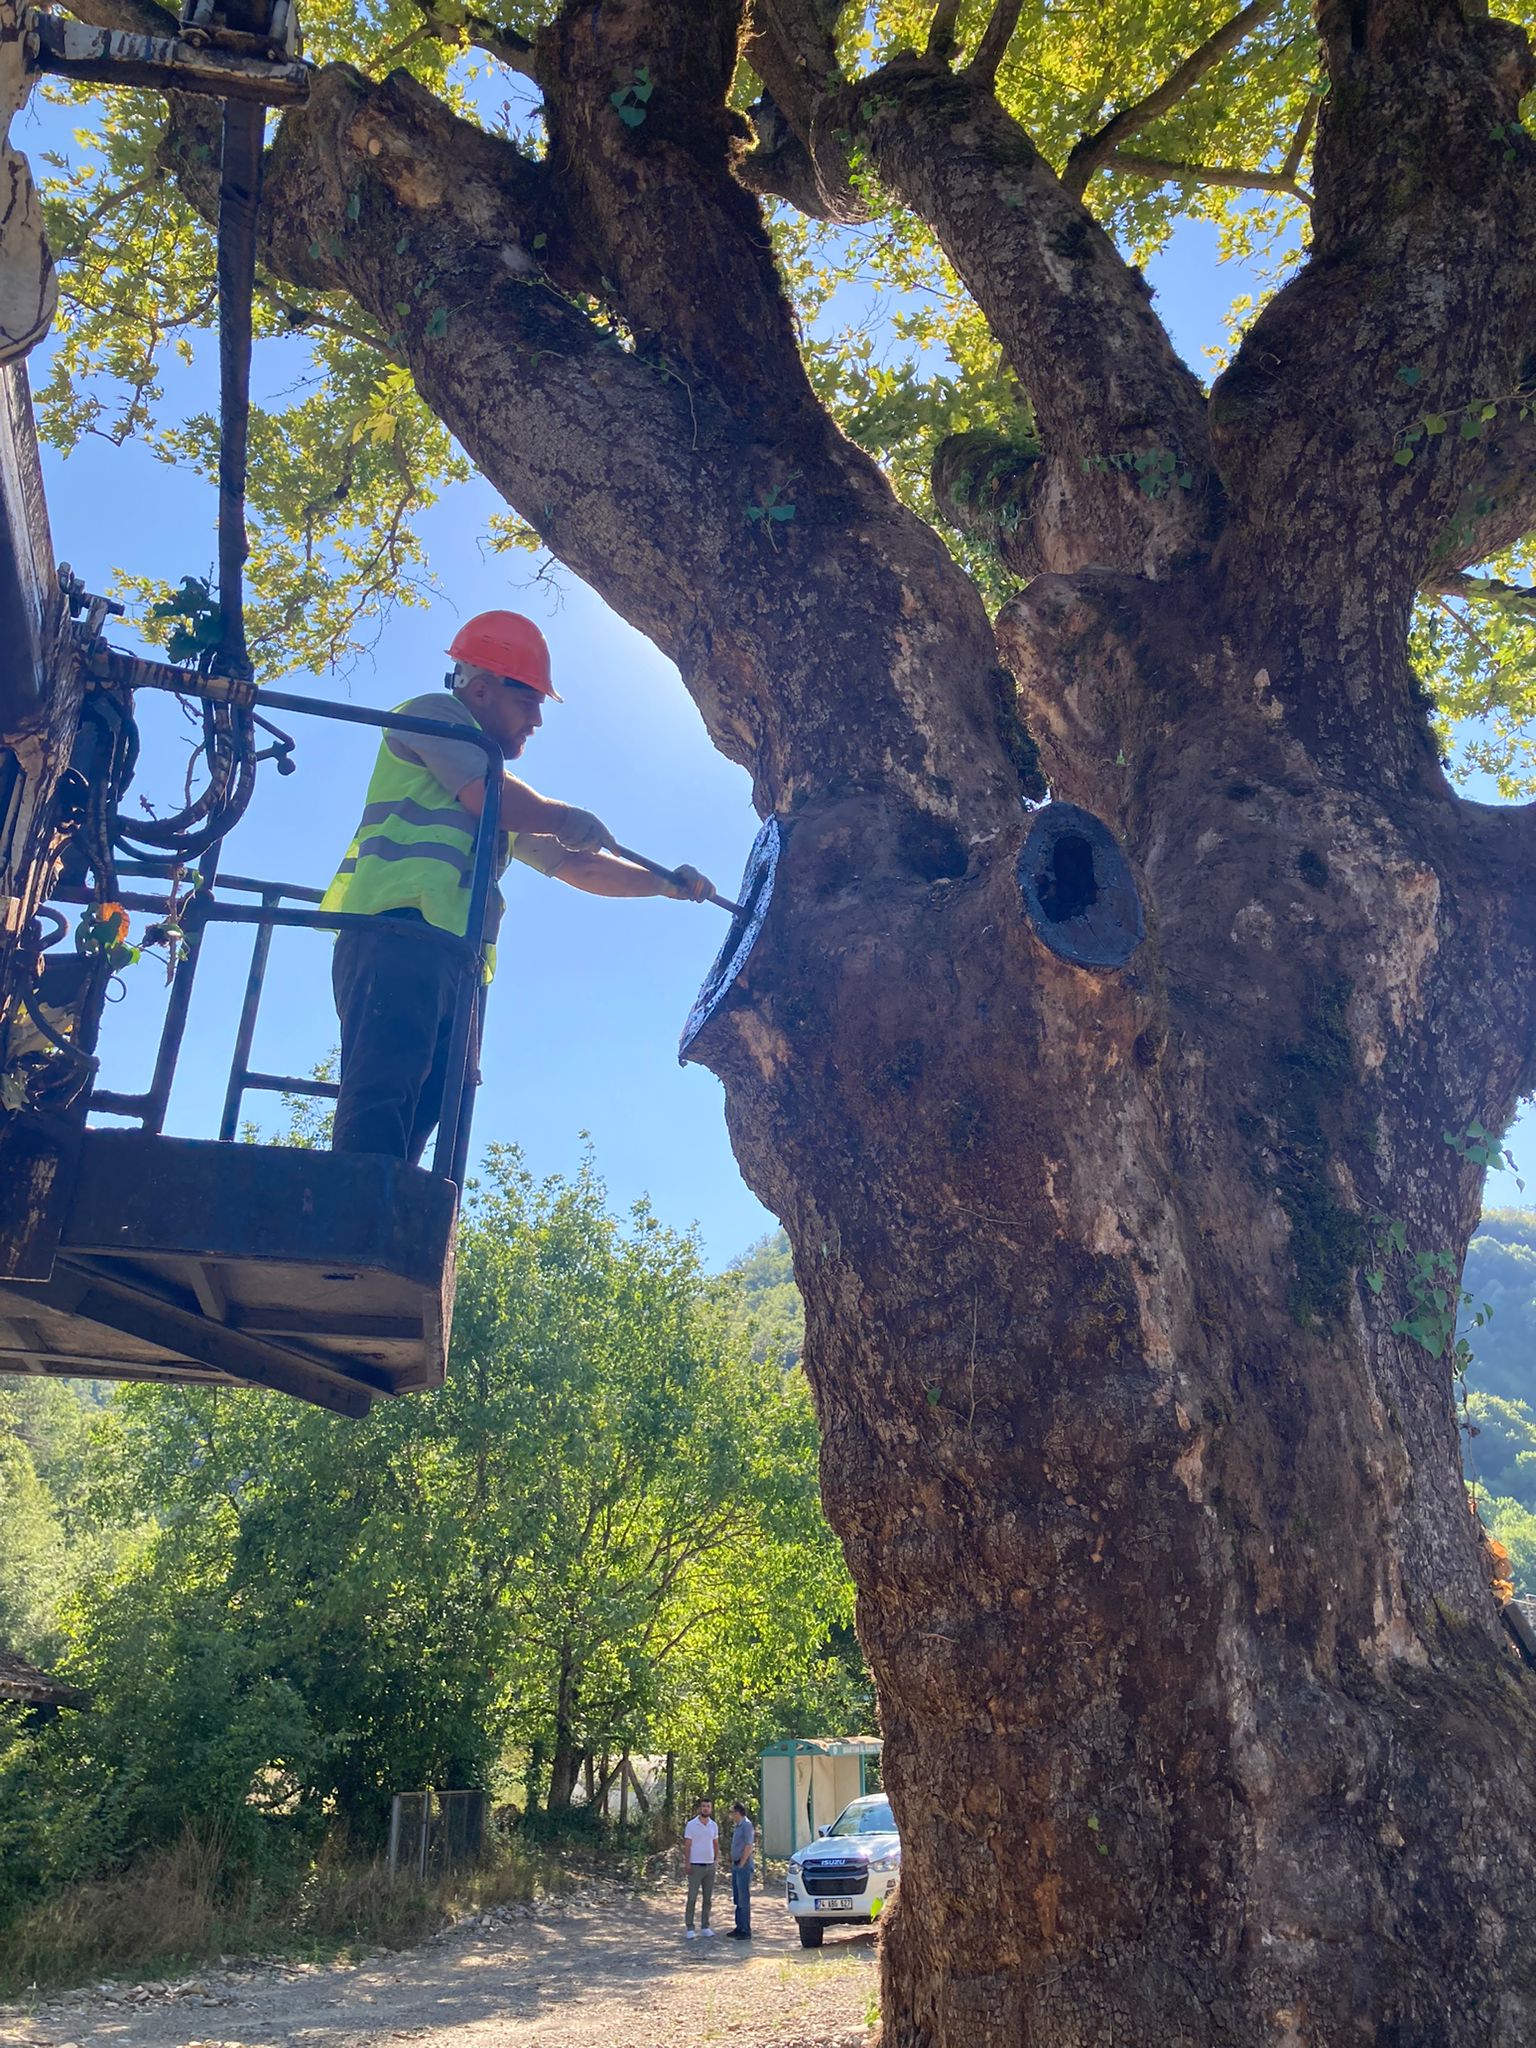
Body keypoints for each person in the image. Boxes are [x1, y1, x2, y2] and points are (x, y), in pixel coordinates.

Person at [322, 610, 714, 1162]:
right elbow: (496, 798)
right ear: (481, 690)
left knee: (436, 1097)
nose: (537, 720)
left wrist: (664, 885)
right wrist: (561, 817)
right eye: (528, 701)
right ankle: (356, 1214)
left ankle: (384, 1211)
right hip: (396, 931)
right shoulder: (431, 718)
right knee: (385, 1082)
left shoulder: (495, 793)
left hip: (450, 953)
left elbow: (580, 867)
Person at [681, 1795, 718, 1939]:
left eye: (708, 1806)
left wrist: (716, 1860)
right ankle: (690, 1927)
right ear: (700, 1808)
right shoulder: (691, 1825)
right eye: (703, 1806)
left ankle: (705, 1926)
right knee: (692, 1897)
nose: (706, 1808)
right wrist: (687, 1862)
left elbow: (715, 1843)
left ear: (711, 1809)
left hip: (709, 1866)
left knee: (707, 1898)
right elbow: (687, 1845)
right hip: (695, 1866)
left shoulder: (713, 1825)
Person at [726, 1800, 756, 1939]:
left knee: (744, 1898)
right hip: (737, 1864)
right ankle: (739, 1927)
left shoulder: (747, 1825)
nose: (731, 1815)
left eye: (732, 1812)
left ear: (738, 1813)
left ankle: (746, 1930)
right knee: (737, 1898)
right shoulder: (738, 1826)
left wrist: (742, 1862)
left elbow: (748, 1845)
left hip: (743, 1865)